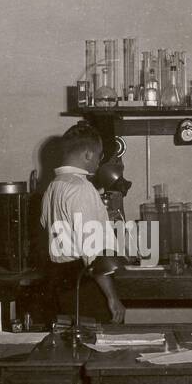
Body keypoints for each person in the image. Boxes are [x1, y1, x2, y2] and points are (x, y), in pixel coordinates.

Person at [40, 121, 126, 324]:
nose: (99, 161)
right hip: (85, 283)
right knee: (98, 347)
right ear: (88, 154)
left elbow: (45, 224)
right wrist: (112, 298)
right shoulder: (82, 188)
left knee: (72, 346)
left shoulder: (53, 186)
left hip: (61, 281)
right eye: (99, 155)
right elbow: (92, 252)